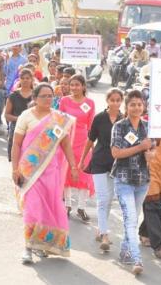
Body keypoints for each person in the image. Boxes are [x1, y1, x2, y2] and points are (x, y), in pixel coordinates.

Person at [11, 83, 78, 264]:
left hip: (51, 172)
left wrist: (73, 166)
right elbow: (16, 144)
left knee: (49, 208)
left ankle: (42, 245)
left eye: (51, 96)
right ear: (35, 98)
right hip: (29, 171)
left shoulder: (58, 119)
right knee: (32, 208)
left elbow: (65, 145)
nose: (48, 100)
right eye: (44, 96)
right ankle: (27, 247)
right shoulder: (26, 116)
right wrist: (15, 169)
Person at [111, 89, 154, 275]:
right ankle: (137, 259)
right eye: (132, 104)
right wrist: (140, 147)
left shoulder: (148, 127)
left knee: (133, 219)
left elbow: (154, 152)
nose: (136, 107)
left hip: (142, 180)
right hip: (123, 178)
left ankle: (123, 252)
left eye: (139, 104)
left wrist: (150, 153)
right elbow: (116, 153)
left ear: (143, 106)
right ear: (126, 107)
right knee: (130, 220)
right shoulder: (119, 126)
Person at [78, 88, 124, 251]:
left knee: (109, 198)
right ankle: (104, 234)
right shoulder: (99, 118)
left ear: (121, 101)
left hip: (116, 163)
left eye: (118, 100)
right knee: (102, 197)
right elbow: (90, 141)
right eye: (112, 100)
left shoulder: (123, 119)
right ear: (107, 101)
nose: (115, 103)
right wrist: (82, 160)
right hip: (98, 160)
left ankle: (100, 229)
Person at [59, 75, 95, 221]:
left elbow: (92, 126)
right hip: (66, 141)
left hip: (83, 142)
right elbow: (59, 121)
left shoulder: (90, 103)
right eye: (71, 85)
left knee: (84, 174)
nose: (74, 88)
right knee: (66, 173)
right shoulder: (64, 100)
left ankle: (81, 207)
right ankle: (67, 205)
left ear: (83, 86)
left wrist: (92, 143)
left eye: (77, 85)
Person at [5, 68, 33, 161]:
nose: (25, 80)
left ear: (31, 79)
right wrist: (20, 119)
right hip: (16, 128)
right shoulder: (13, 95)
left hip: (32, 128)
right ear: (19, 79)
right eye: (23, 78)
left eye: (27, 78)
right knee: (16, 156)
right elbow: (7, 115)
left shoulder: (36, 96)